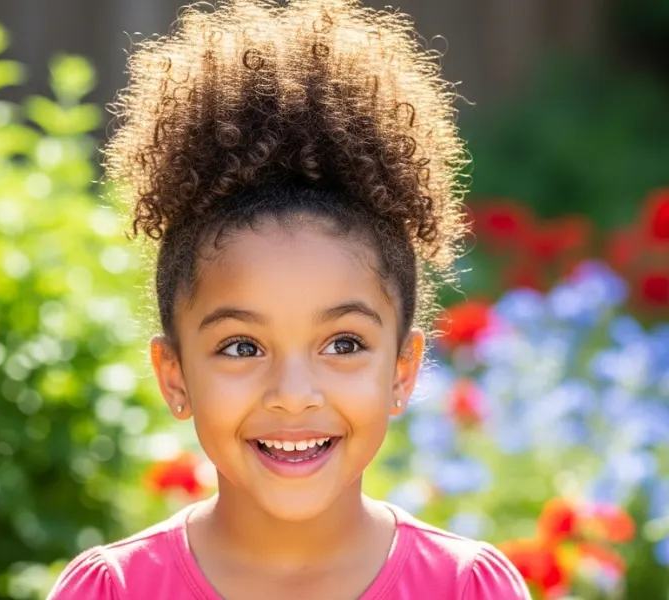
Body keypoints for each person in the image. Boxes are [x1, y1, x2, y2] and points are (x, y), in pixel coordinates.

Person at [47, 0, 532, 598]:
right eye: (242, 346)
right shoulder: (114, 589)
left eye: (344, 343)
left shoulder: (465, 587)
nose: (294, 396)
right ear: (173, 375)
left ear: (403, 370)